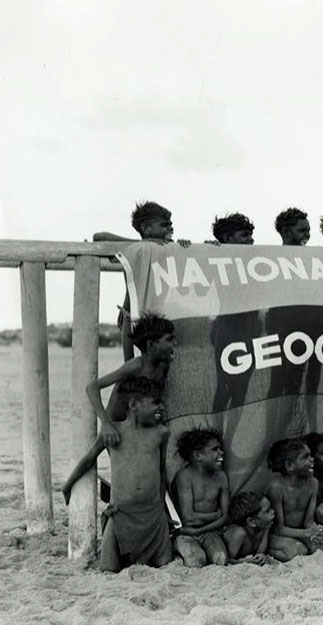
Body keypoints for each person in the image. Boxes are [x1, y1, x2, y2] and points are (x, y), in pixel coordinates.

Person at [61, 377, 173, 572]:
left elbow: (161, 471)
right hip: (121, 515)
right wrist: (68, 485)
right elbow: (89, 459)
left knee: (165, 566)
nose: (161, 407)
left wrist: (163, 509)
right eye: (155, 402)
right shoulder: (113, 433)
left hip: (153, 515)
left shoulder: (161, 433)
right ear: (133, 404)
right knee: (107, 569)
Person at [93, 201, 189, 361]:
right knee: (133, 367)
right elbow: (99, 237)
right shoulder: (134, 249)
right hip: (133, 318)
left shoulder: (168, 248)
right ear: (146, 228)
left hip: (159, 320)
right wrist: (145, 243)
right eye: (164, 225)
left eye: (171, 225)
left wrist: (187, 247)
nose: (170, 229)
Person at [85, 312, 176, 448]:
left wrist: (127, 320)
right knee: (98, 458)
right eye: (169, 339)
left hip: (140, 424)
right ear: (151, 345)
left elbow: (128, 347)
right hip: (116, 426)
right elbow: (92, 387)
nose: (175, 343)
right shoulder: (135, 366)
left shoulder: (163, 364)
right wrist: (106, 423)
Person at [209, 213, 260, 413]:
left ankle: (229, 439)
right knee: (225, 388)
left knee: (241, 391)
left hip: (251, 329)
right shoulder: (217, 258)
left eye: (251, 235)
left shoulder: (256, 260)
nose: (251, 240)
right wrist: (203, 252)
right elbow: (200, 288)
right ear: (228, 238)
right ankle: (216, 436)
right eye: (244, 235)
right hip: (228, 329)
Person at [172, 427, 230, 567]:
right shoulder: (185, 477)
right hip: (186, 534)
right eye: (215, 449)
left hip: (209, 531)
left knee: (220, 559)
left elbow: (225, 516)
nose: (221, 453)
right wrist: (216, 514)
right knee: (197, 561)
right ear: (197, 456)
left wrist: (199, 530)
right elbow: (189, 517)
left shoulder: (221, 477)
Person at [265, 438, 323, 561]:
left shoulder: (313, 483)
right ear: (290, 466)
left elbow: (308, 521)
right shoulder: (276, 488)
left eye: (310, 455)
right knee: (299, 551)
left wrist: (317, 530)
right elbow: (278, 528)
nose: (312, 459)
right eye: (305, 457)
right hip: (279, 535)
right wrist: (307, 533)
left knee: (322, 550)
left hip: (300, 531)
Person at [222, 492, 275, 565]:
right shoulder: (239, 534)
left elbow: (260, 554)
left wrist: (262, 556)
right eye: (267, 511)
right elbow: (227, 560)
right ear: (251, 521)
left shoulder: (262, 528)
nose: (273, 511)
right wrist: (245, 562)